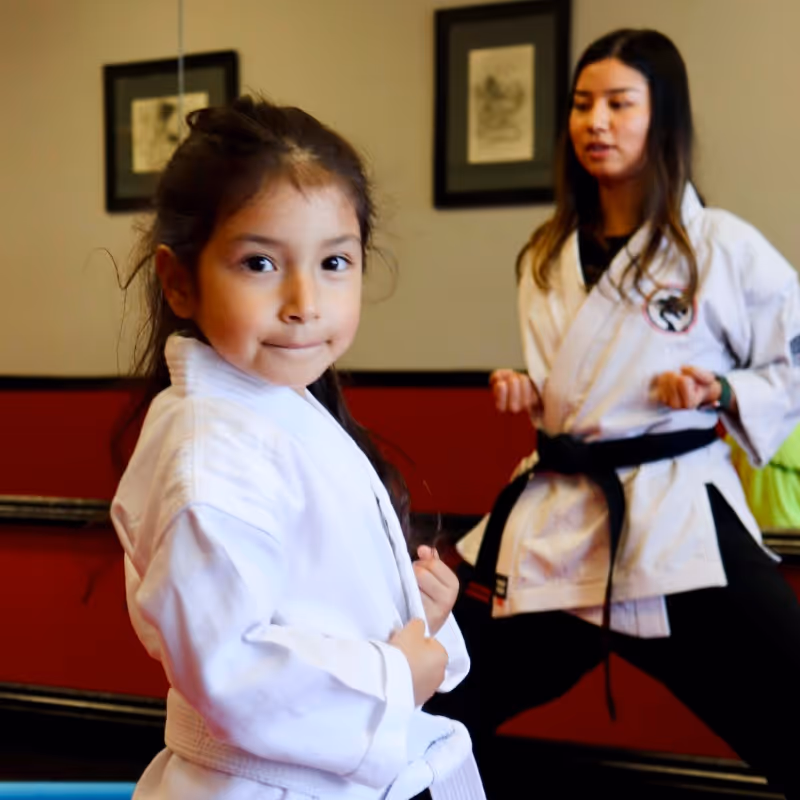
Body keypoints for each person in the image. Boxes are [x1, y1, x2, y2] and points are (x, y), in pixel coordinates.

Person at [428, 29, 800, 798]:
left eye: (619, 103)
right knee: (444, 694)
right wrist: (531, 391)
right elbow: (578, 379)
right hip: (564, 517)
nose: (595, 121)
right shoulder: (545, 253)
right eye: (582, 104)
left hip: (675, 516)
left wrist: (723, 393)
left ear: (661, 119)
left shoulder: (721, 248)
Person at [111, 96, 485, 800]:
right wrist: (395, 676)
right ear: (179, 280)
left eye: (335, 261)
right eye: (259, 263)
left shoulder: (277, 407)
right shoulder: (209, 452)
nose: (304, 300)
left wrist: (408, 613)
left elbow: (303, 604)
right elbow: (229, 665)